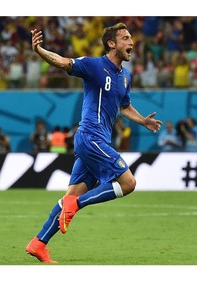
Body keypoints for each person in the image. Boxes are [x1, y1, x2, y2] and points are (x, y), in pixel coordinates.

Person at [26, 22, 163, 263]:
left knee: (68, 197)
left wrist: (143, 121)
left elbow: (124, 106)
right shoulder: (93, 65)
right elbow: (62, 61)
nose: (131, 43)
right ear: (112, 43)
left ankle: (38, 243)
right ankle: (77, 205)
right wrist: (40, 51)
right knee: (128, 183)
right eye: (126, 38)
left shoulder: (125, 77)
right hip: (90, 136)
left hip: (96, 141)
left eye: (131, 38)